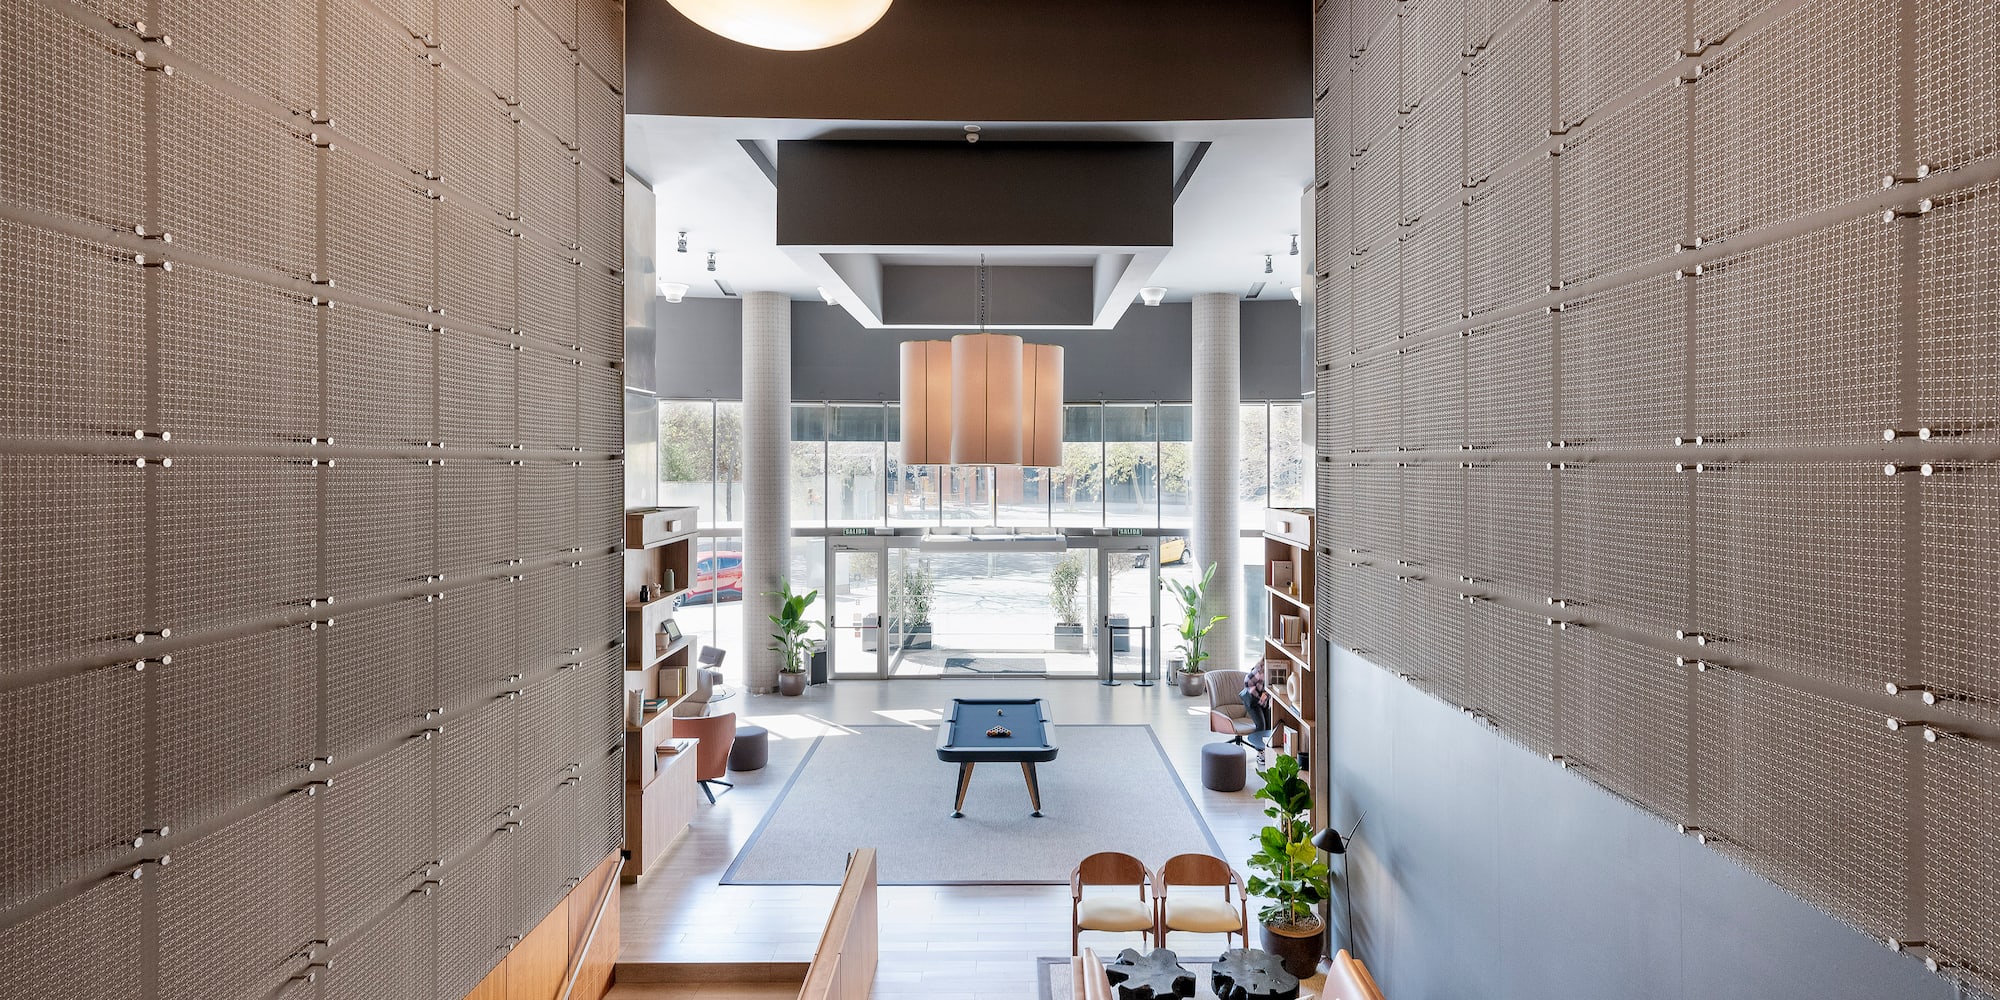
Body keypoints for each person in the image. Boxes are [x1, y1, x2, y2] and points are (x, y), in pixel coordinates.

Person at [1240, 662, 1272, 752]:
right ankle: (1260, 752)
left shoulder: (1272, 671)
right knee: (1261, 725)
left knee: (1269, 725)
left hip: (1264, 702)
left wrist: (1265, 695)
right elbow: (1247, 681)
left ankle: (1266, 750)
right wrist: (1258, 694)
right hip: (1253, 701)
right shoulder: (1259, 670)